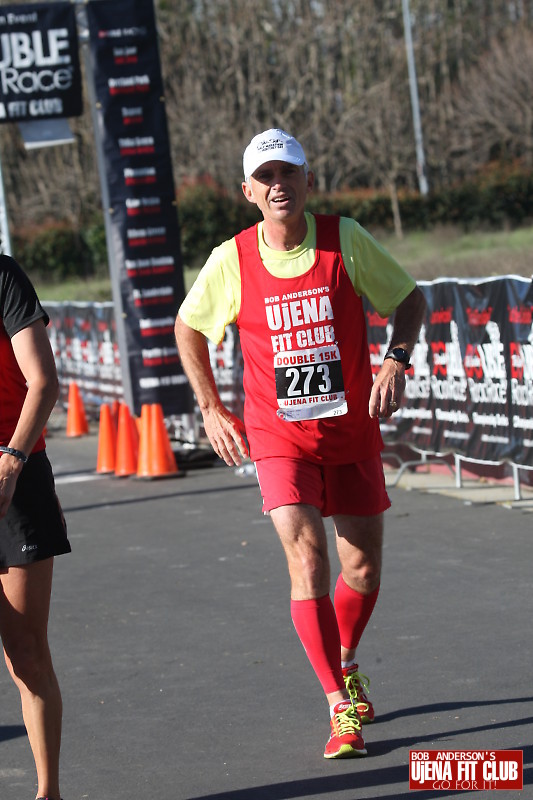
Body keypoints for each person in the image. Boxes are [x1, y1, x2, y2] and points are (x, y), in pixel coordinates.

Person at [175, 128, 426, 759]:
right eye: (265, 177)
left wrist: (395, 359)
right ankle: (339, 705)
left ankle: (346, 659)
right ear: (248, 192)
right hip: (278, 435)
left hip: (350, 429)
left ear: (308, 180)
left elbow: (408, 300)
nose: (278, 185)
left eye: (288, 172)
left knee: (362, 568)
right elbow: (189, 327)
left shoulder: (345, 239)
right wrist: (211, 406)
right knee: (307, 559)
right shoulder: (231, 258)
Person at [0, 253, 70, 799]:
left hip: (13, 480)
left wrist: (11, 462)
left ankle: (48, 793)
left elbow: (42, 382)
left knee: (25, 654)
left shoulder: (2, 276)